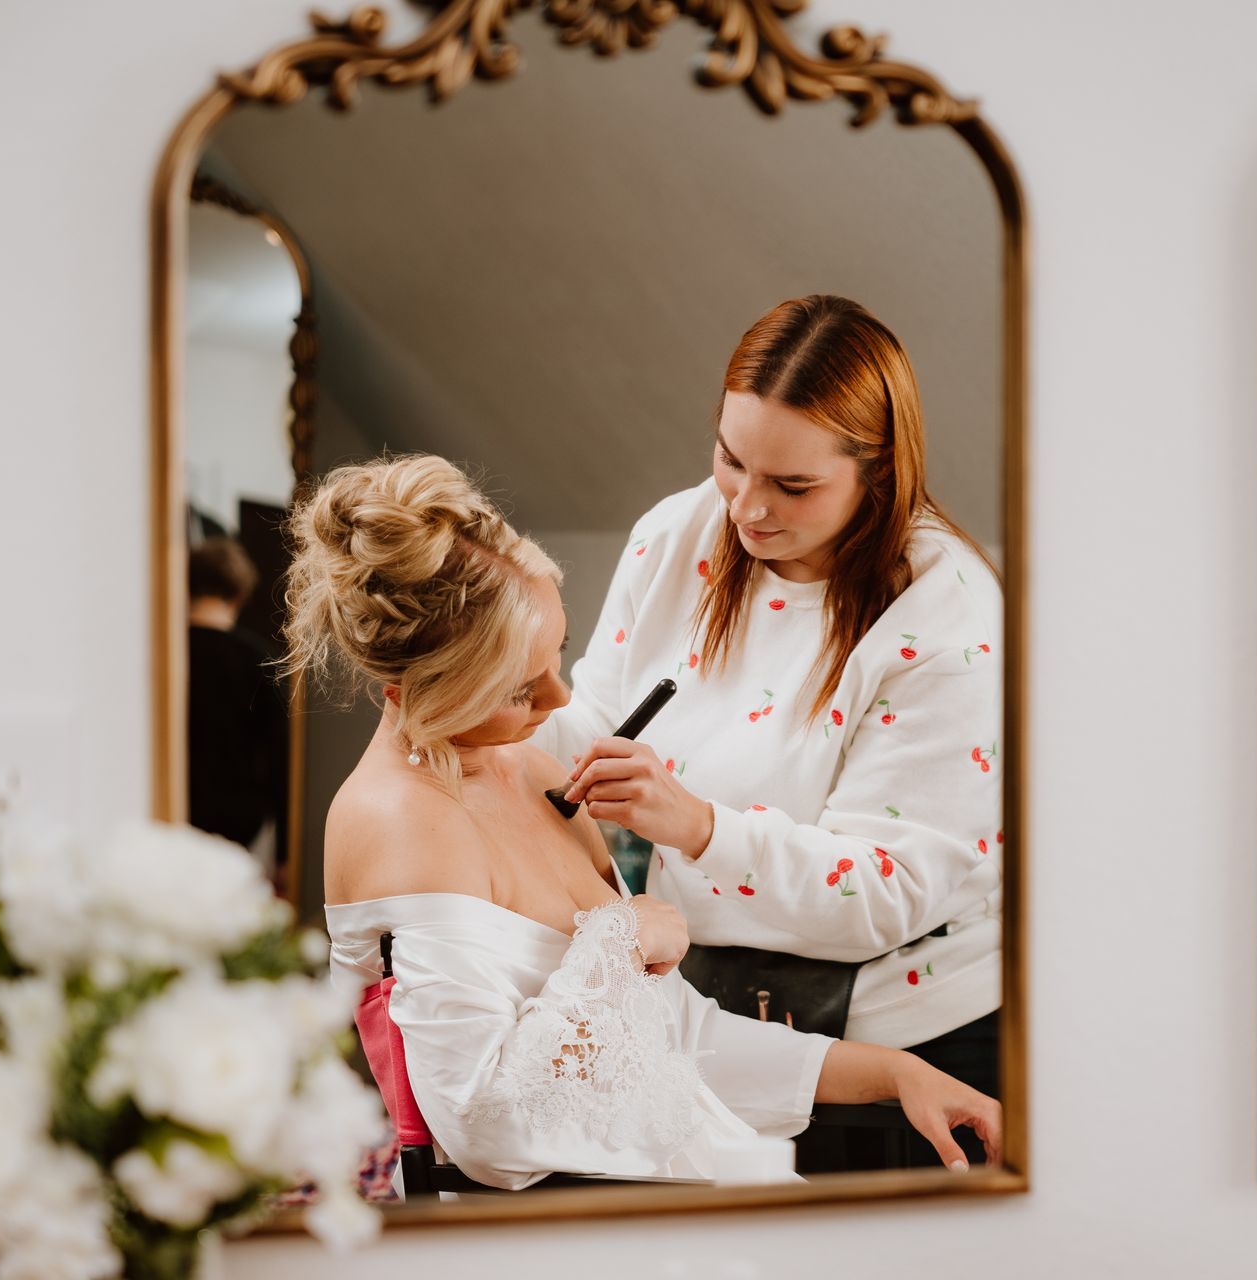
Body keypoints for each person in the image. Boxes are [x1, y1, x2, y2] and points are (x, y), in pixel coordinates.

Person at [288, 454, 1000, 1190]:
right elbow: (487, 1126)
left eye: (556, 656)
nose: (560, 703)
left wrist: (893, 1073)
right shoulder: (399, 824)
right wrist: (623, 940)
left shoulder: (531, 772)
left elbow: (666, 1044)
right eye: (519, 688)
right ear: (409, 688)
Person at [534, 296, 1004, 1166]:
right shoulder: (680, 535)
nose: (748, 509)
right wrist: (497, 714)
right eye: (730, 459)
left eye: (793, 486)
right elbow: (591, 722)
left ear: (881, 471)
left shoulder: (947, 619)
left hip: (911, 1036)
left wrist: (697, 828)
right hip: (723, 1012)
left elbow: (886, 892)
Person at [185, 538, 287, 858]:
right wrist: (286, 850)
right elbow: (280, 758)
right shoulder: (259, 661)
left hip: (178, 806)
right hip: (239, 820)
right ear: (240, 595)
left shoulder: (164, 655)